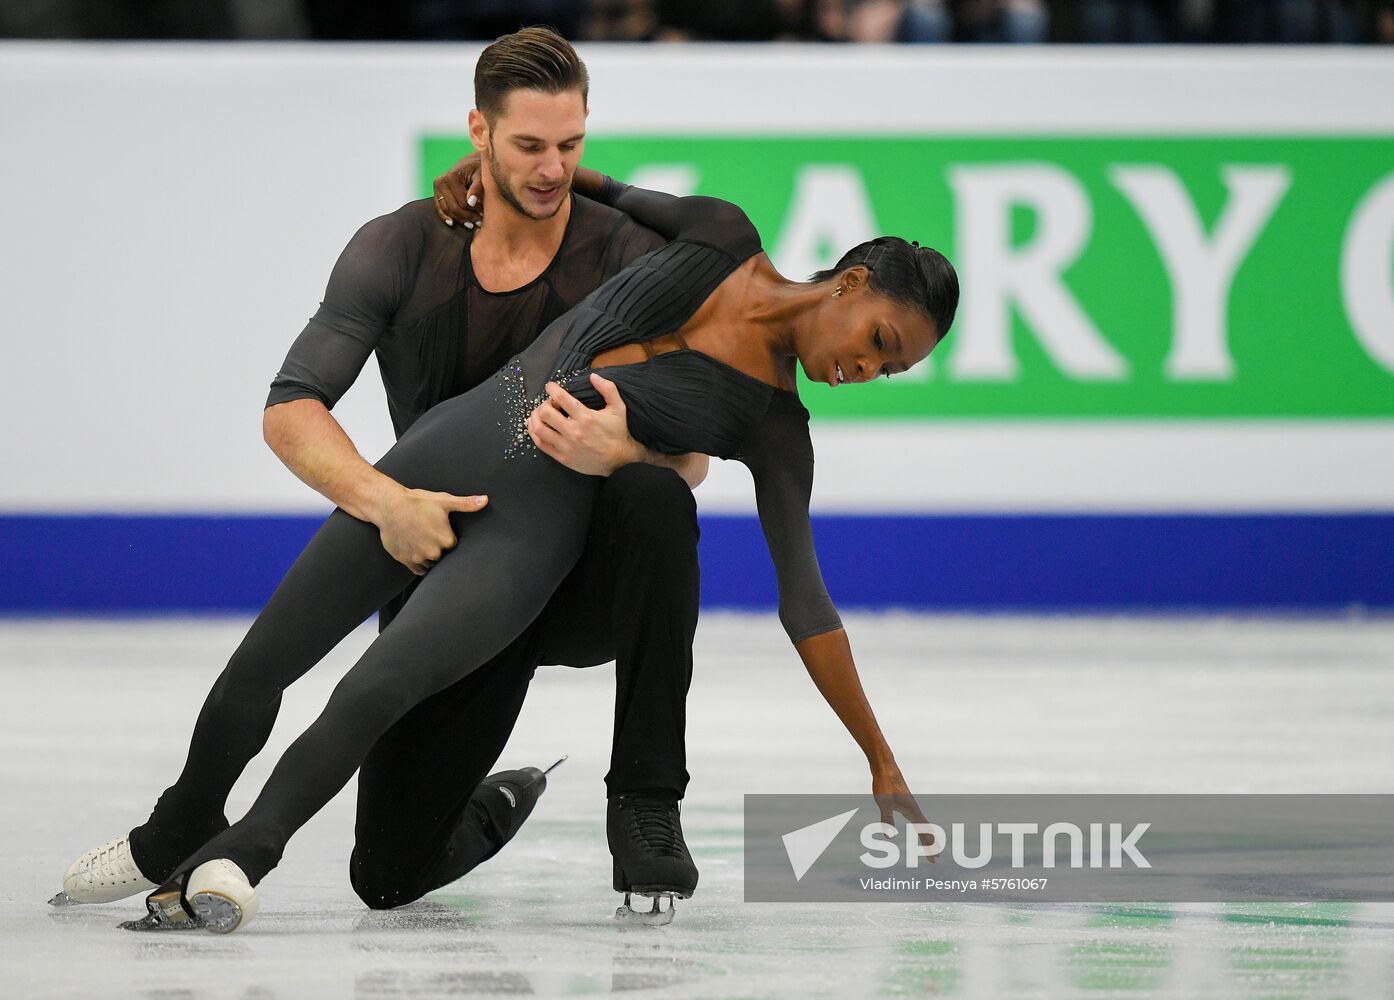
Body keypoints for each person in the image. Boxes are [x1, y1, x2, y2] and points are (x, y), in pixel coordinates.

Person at [60, 93, 959, 940]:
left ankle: (243, 856)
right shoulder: (722, 229)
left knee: (376, 685)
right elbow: (590, 183)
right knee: (257, 667)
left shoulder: (775, 428)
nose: (866, 371)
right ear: (852, 283)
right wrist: (483, 168)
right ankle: (181, 824)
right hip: (447, 447)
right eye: (880, 342)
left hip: (532, 535)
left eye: (890, 372)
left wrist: (879, 761)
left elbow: (807, 603)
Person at [55, 28, 708, 922]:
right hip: (437, 552)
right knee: (387, 875)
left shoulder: (626, 254)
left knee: (657, 495)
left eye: (571, 145)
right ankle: (475, 800)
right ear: (478, 131)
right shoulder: (403, 245)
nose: (553, 169)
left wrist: (627, 452)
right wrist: (385, 501)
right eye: (528, 146)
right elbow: (292, 407)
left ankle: (644, 805)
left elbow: (695, 452)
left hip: (574, 570)